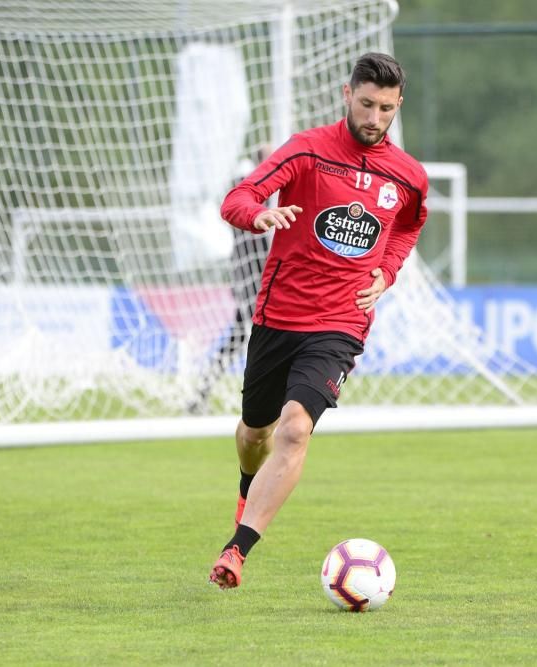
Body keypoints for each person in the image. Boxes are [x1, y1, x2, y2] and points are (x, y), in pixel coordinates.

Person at [209, 52, 429, 589]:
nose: (374, 118)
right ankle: (246, 482)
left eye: (386, 108)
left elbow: (406, 227)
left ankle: (237, 550)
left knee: (296, 427)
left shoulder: (408, 176)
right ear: (346, 95)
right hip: (279, 315)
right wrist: (259, 214)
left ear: (398, 106)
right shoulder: (308, 150)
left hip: (340, 324)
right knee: (253, 431)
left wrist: (388, 271)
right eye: (366, 104)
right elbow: (237, 197)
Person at [188, 144, 274, 415]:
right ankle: (260, 396)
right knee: (259, 337)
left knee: (239, 337)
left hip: (254, 275)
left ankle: (202, 393)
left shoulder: (254, 194)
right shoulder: (247, 194)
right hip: (251, 276)